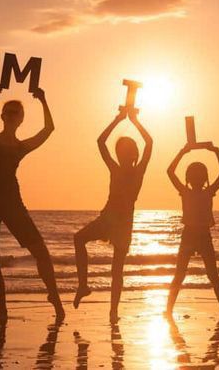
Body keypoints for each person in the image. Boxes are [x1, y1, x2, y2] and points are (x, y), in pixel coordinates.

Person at [0, 83, 65, 321]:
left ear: (21, 119)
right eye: (9, 112)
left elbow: (49, 128)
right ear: (2, 117)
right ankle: (2, 310)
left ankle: (54, 297)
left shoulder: (21, 147)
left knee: (41, 251)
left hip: (12, 201)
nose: (12, 115)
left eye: (17, 113)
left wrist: (43, 99)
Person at [73, 107, 153, 323]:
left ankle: (113, 312)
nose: (124, 154)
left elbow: (149, 143)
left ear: (134, 154)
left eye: (128, 151)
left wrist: (135, 121)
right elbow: (101, 142)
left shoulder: (139, 171)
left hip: (124, 224)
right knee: (78, 238)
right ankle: (83, 286)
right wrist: (118, 119)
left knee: (117, 270)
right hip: (108, 219)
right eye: (121, 151)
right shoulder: (115, 168)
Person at [165, 142, 219, 319]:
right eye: (193, 175)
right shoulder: (185, 192)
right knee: (180, 274)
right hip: (189, 235)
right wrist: (182, 151)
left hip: (202, 235)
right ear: (189, 177)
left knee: (212, 274)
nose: (197, 178)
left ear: (204, 178)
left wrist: (217, 151)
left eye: (199, 175)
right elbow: (170, 172)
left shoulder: (208, 191)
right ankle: (168, 310)